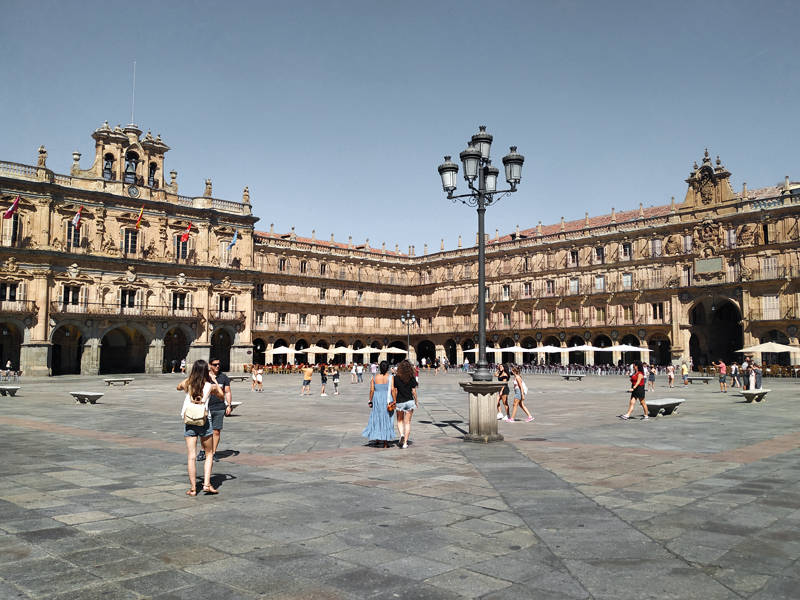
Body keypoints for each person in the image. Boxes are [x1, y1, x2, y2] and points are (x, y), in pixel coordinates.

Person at [177, 359, 224, 495]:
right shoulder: (210, 386)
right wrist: (214, 381)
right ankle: (207, 484)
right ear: (206, 371)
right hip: (204, 421)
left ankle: (193, 488)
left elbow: (178, 387)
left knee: (191, 456)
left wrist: (190, 377)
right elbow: (221, 396)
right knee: (209, 454)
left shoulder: (188, 383)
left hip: (189, 421)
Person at [198, 357, 232, 463]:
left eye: (219, 364)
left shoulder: (223, 377)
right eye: (215, 364)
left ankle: (213, 452)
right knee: (205, 432)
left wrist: (229, 405)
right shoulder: (204, 376)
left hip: (219, 407)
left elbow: (227, 392)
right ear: (210, 365)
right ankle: (203, 450)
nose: (218, 366)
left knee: (216, 431)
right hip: (206, 407)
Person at [362, 361, 396, 448]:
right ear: (388, 368)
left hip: (377, 399)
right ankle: (385, 442)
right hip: (387, 399)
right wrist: (395, 400)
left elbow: (372, 390)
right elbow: (392, 389)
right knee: (387, 418)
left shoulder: (374, 378)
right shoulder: (390, 377)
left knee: (377, 417)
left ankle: (378, 437)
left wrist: (370, 400)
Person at [393, 360, 418, 449]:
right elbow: (414, 391)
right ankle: (405, 443)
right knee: (407, 423)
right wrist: (416, 401)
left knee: (400, 421)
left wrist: (395, 400)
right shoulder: (412, 377)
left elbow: (395, 391)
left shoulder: (396, 378)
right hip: (410, 401)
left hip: (400, 401)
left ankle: (402, 435)